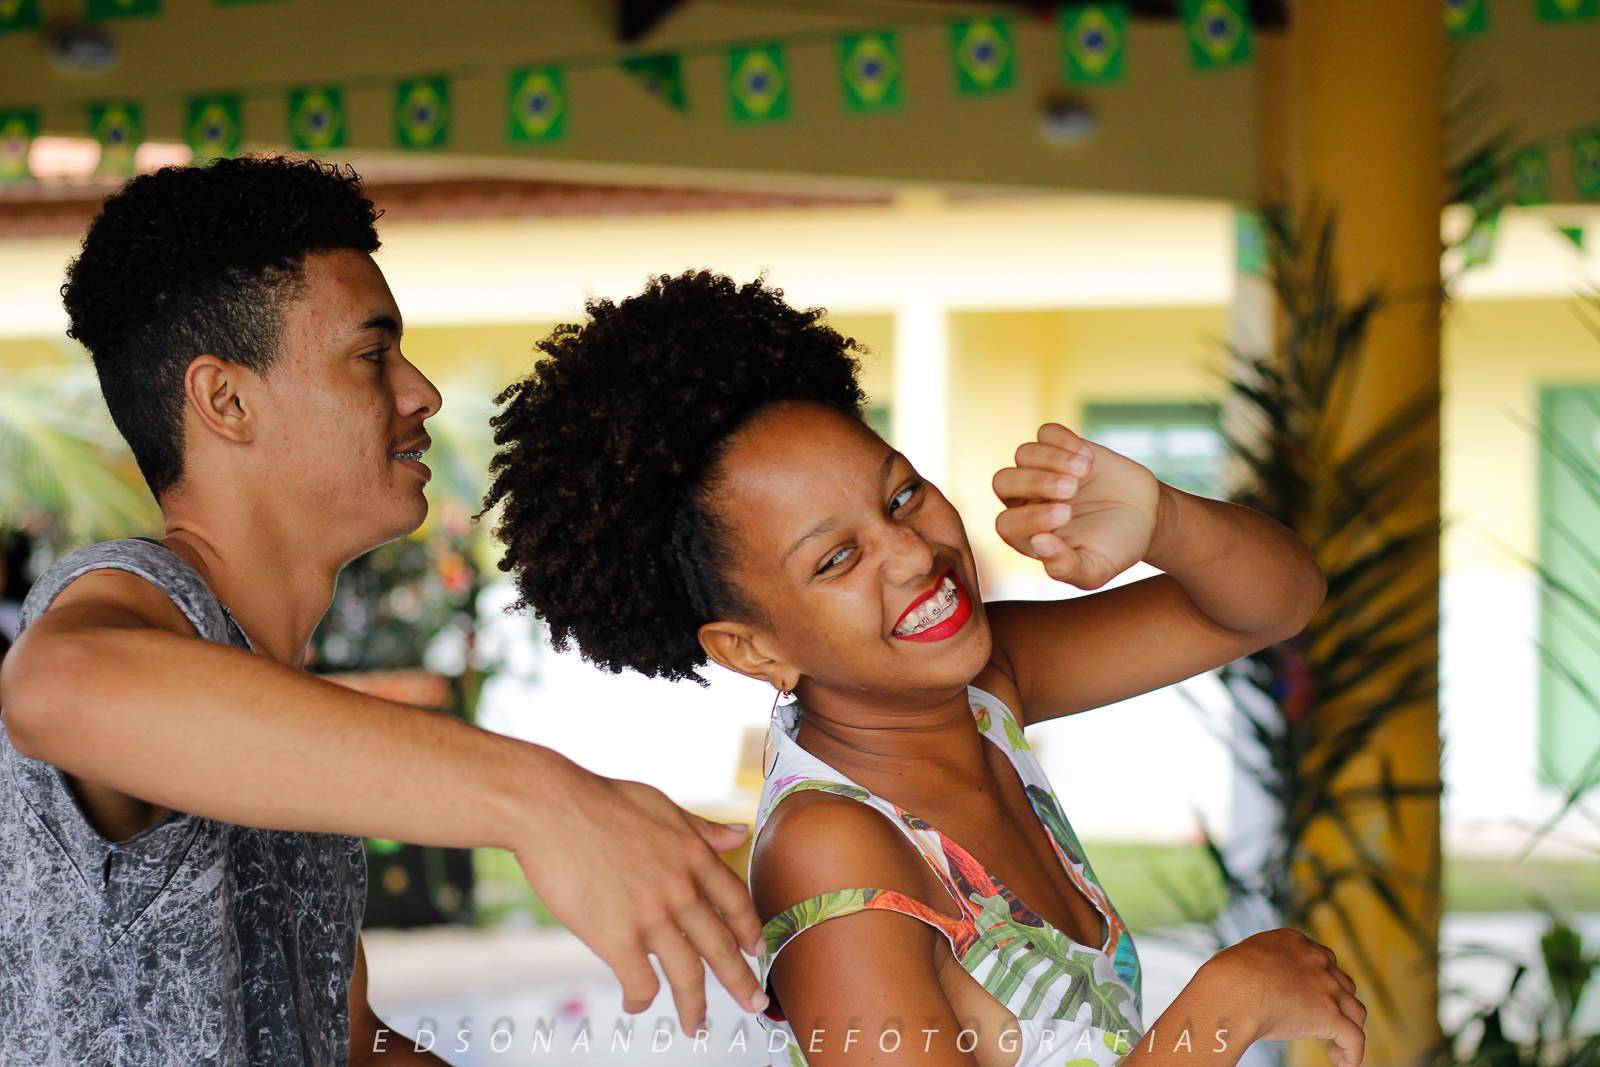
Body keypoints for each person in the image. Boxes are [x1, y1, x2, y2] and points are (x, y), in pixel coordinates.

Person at [483, 271, 1368, 1067]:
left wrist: (1163, 520)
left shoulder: (980, 690)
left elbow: (1275, 603)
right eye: (837, 559)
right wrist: (1222, 1012)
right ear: (754, 650)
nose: (912, 552)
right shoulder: (835, 852)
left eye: (901, 494)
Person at [0, 159, 766, 1067]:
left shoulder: (276, 718)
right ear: (225, 399)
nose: (421, 392)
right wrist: (545, 800)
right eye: (373, 356)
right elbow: (57, 687)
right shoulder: (134, 596)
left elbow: (353, 1044)